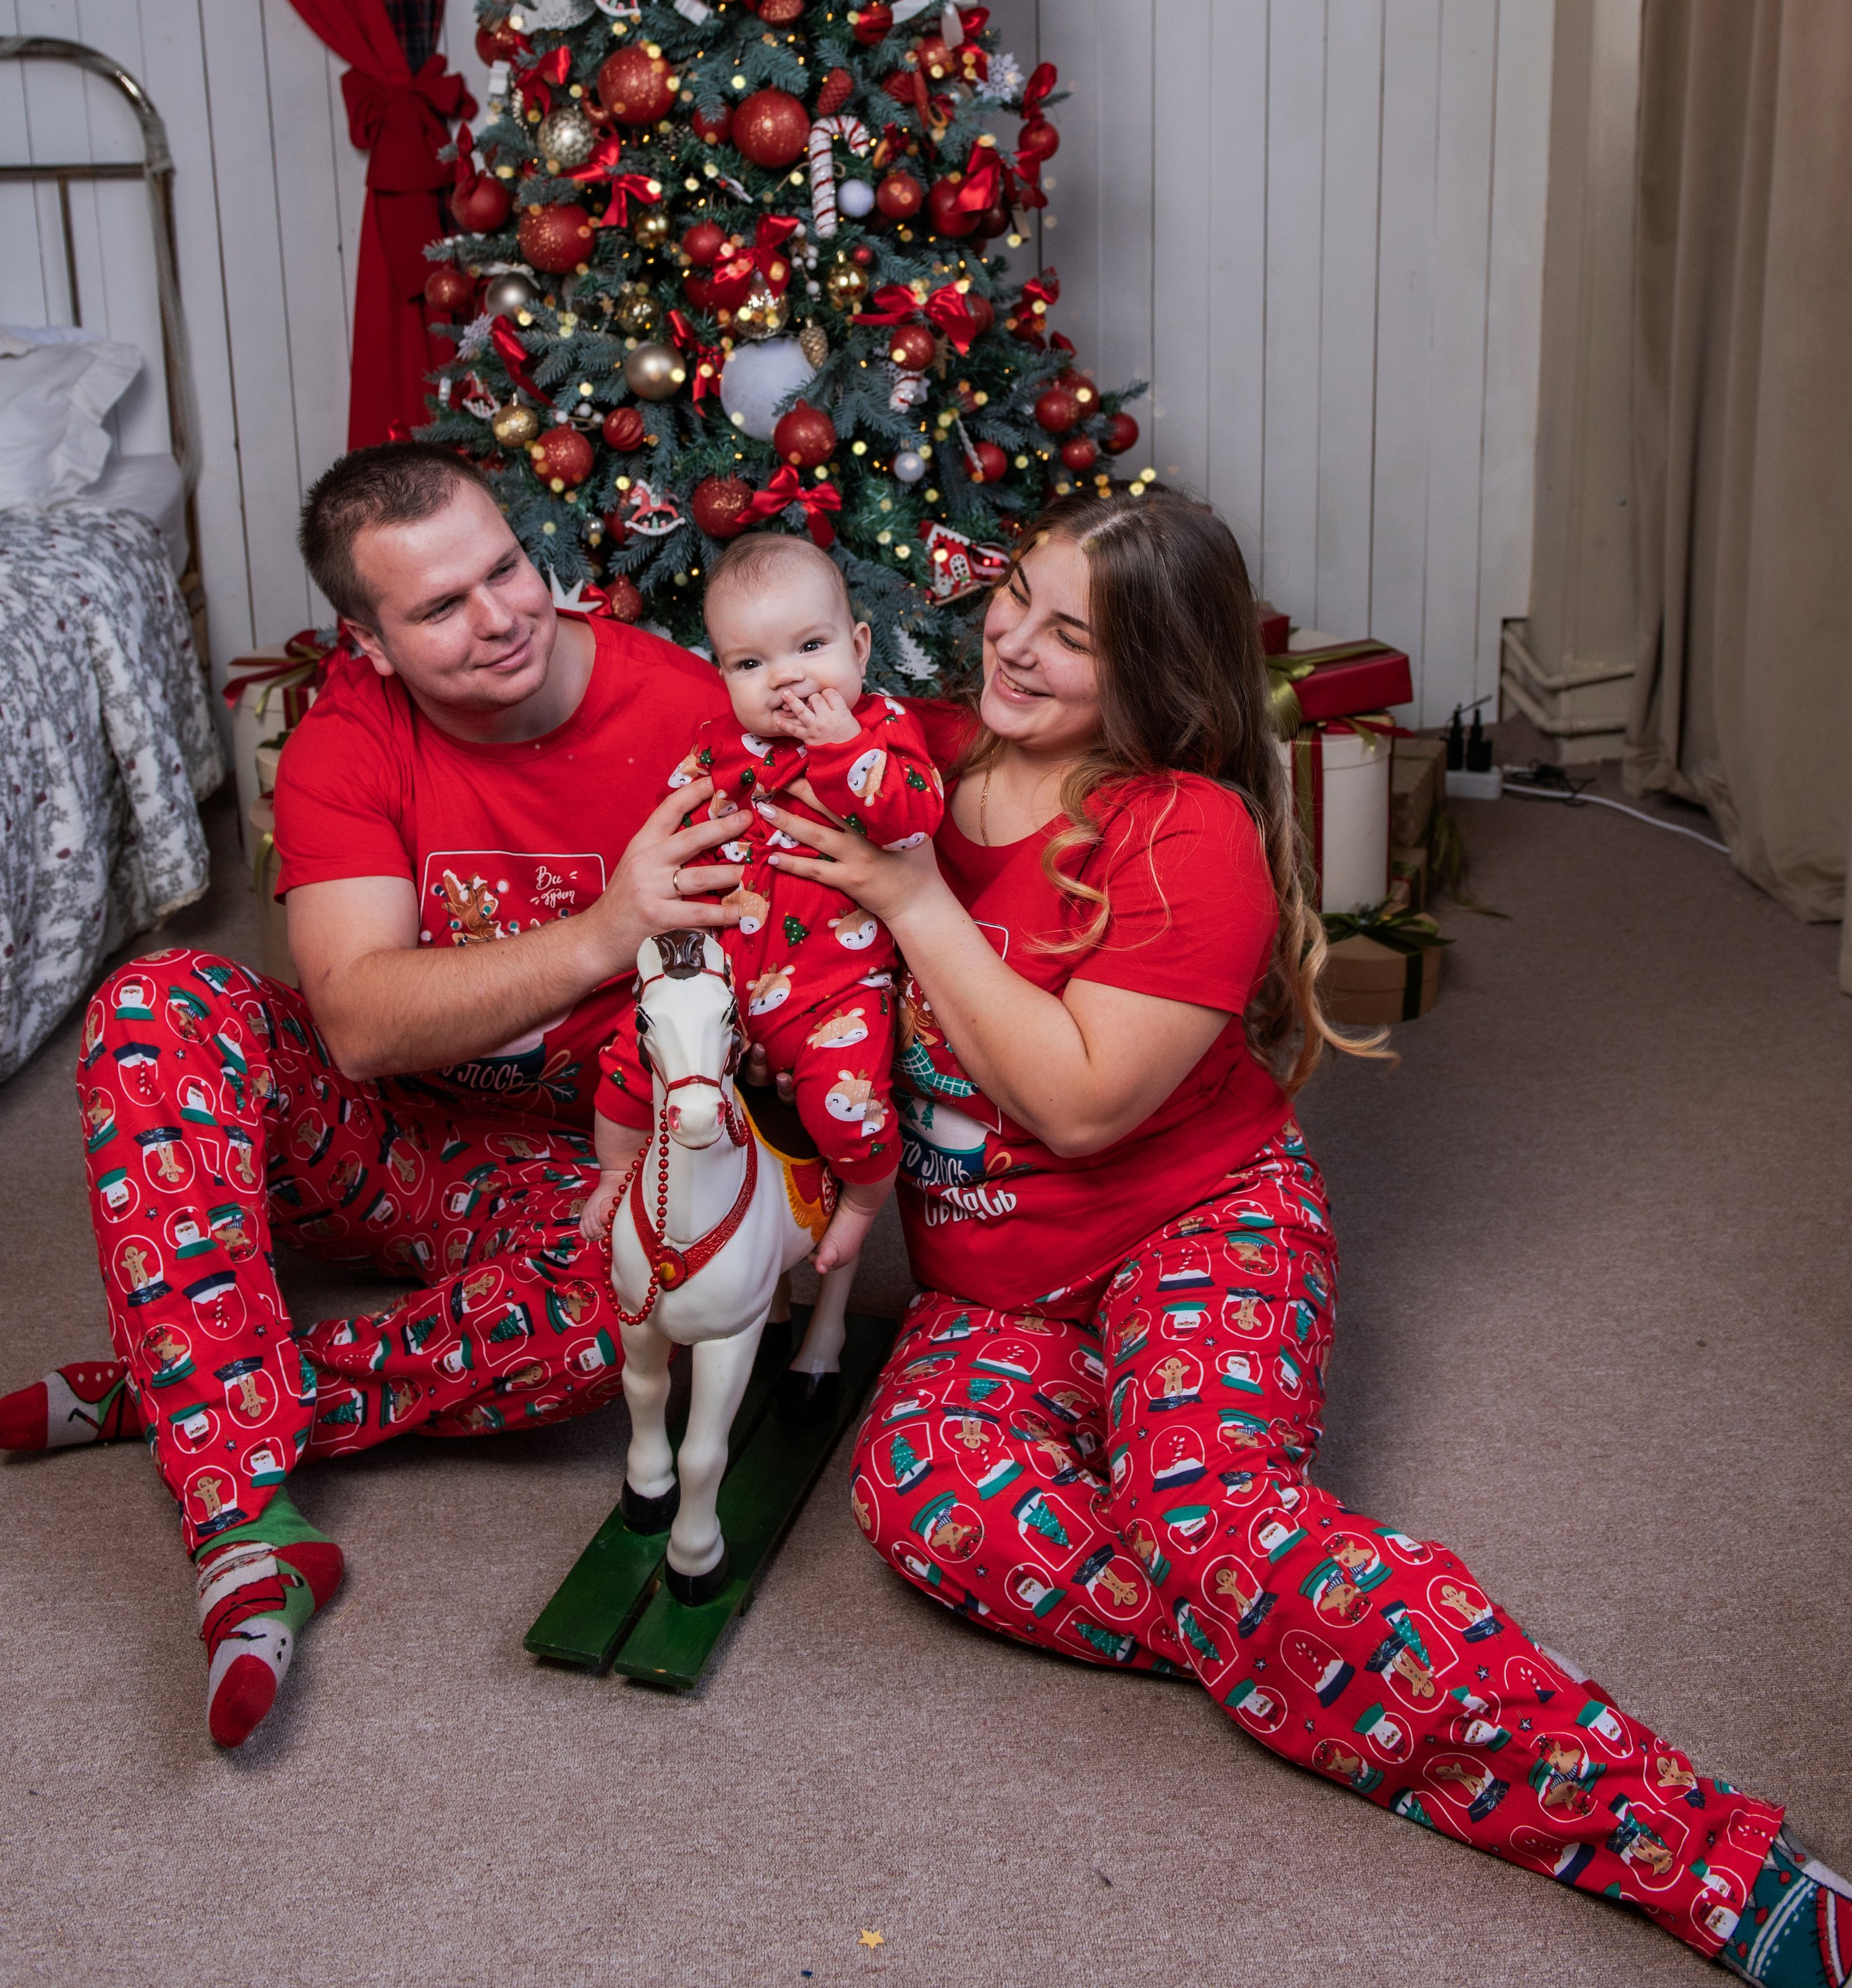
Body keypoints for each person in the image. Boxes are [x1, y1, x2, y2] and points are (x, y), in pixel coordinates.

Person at [757, 486, 1851, 1986]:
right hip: (993, 1292)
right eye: (1013, 592)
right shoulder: (918, 760)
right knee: (923, 1502)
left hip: (1191, 1224)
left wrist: (907, 896)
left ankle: (1714, 1861)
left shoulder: (1185, 836)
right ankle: (1277, 1611)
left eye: (1072, 636)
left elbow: (1078, 1109)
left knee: (1209, 1520)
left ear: (1154, 675)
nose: (1008, 639)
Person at [0, 443, 752, 1750]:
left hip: (585, 1157)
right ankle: (248, 1520)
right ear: (372, 642)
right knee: (159, 999)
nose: (504, 617)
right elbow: (354, 1025)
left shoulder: (686, 712)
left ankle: (184, 1378)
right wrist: (602, 927)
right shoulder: (345, 733)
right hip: (378, 1135)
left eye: (506, 569)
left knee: (615, 1333)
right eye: (441, 608)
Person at [586, 532, 943, 1282]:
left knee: (849, 1109)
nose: (785, 679)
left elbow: (911, 820)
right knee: (628, 1052)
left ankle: (862, 1203)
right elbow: (677, 819)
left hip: (830, 990)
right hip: (716, 973)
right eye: (750, 664)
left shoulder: (881, 730)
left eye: (810, 647)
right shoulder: (719, 742)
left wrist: (842, 747)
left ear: (860, 644)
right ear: (721, 672)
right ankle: (617, 1168)